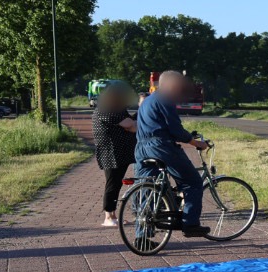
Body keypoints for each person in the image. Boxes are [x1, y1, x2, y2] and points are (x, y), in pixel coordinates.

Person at [135, 71, 212, 237]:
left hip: (141, 147)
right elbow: (176, 130)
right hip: (161, 146)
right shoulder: (165, 100)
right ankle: (190, 224)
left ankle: (142, 236)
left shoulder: (147, 101)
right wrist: (195, 142)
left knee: (147, 190)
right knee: (192, 181)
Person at [91, 81, 138, 227]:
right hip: (111, 152)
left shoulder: (117, 109)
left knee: (116, 183)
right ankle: (108, 216)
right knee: (112, 183)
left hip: (119, 152)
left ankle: (113, 215)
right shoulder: (106, 110)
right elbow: (130, 125)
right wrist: (130, 124)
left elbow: (131, 123)